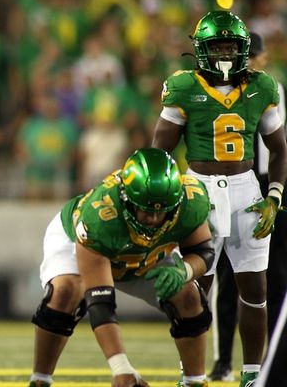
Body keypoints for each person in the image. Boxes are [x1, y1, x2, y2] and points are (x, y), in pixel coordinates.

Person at [152, 11, 287, 386]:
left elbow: (279, 149)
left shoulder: (262, 86)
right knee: (196, 291)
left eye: (231, 46)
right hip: (198, 190)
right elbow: (159, 151)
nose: (225, 53)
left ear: (244, 49)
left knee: (254, 288)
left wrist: (274, 194)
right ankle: (191, 372)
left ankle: (252, 373)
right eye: (218, 46)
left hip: (247, 189)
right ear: (201, 50)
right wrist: (168, 200)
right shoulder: (183, 87)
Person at [29, 148, 215, 387]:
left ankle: (194, 381)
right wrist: (121, 368)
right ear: (126, 198)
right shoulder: (100, 216)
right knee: (66, 291)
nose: (154, 219)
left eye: (162, 211)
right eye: (147, 209)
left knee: (189, 295)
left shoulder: (192, 199)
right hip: (78, 242)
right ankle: (40, 379)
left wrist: (185, 271)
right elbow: (100, 303)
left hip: (146, 254)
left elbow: (203, 251)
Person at [207, 31, 287, 381]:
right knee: (227, 277)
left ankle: (269, 358)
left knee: (276, 275)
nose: (249, 61)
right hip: (236, 185)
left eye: (253, 55)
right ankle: (223, 359)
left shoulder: (274, 91)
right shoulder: (222, 93)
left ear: (263, 58)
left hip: (272, 187)